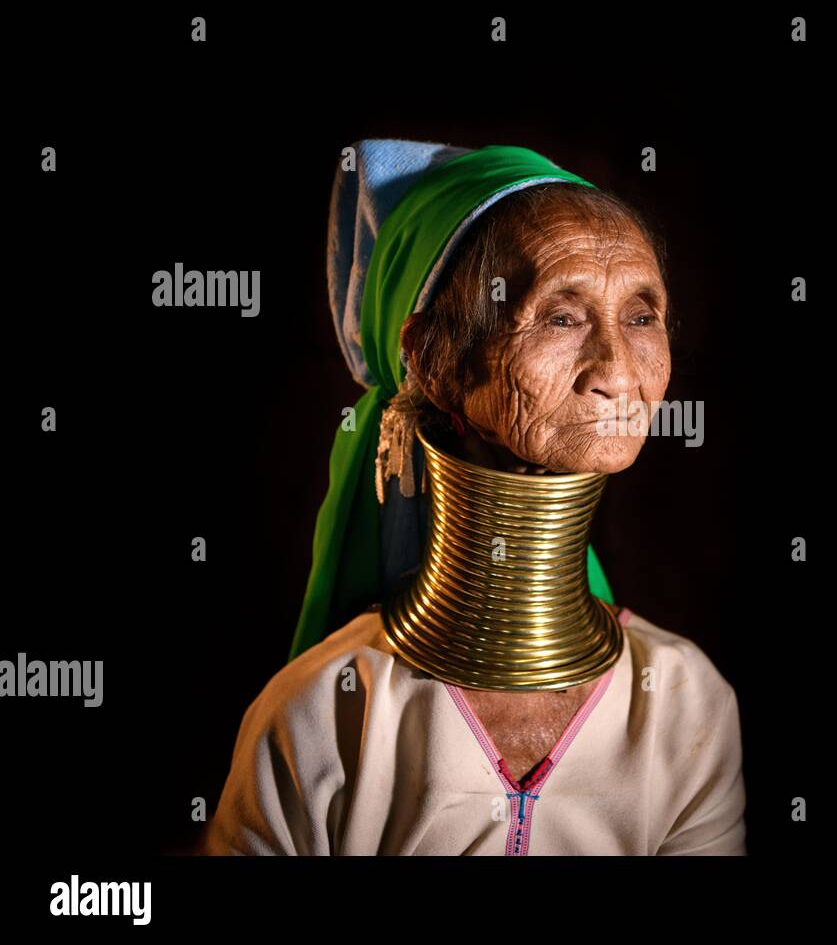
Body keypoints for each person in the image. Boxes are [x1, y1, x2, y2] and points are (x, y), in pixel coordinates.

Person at [202, 139, 746, 855]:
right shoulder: (321, 715)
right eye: (561, 316)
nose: (618, 370)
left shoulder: (683, 704)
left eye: (642, 316)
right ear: (432, 357)